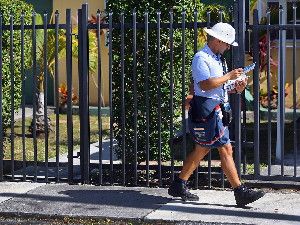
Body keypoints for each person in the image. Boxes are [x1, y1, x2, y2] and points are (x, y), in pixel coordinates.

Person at [168, 22, 265, 207]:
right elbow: (204, 85)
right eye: (227, 43)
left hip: (216, 108)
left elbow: (218, 87)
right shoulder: (201, 58)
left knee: (201, 149)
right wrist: (229, 76)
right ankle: (240, 191)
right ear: (218, 40)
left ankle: (179, 184)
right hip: (208, 110)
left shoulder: (219, 59)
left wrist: (237, 87)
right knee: (225, 148)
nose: (228, 47)